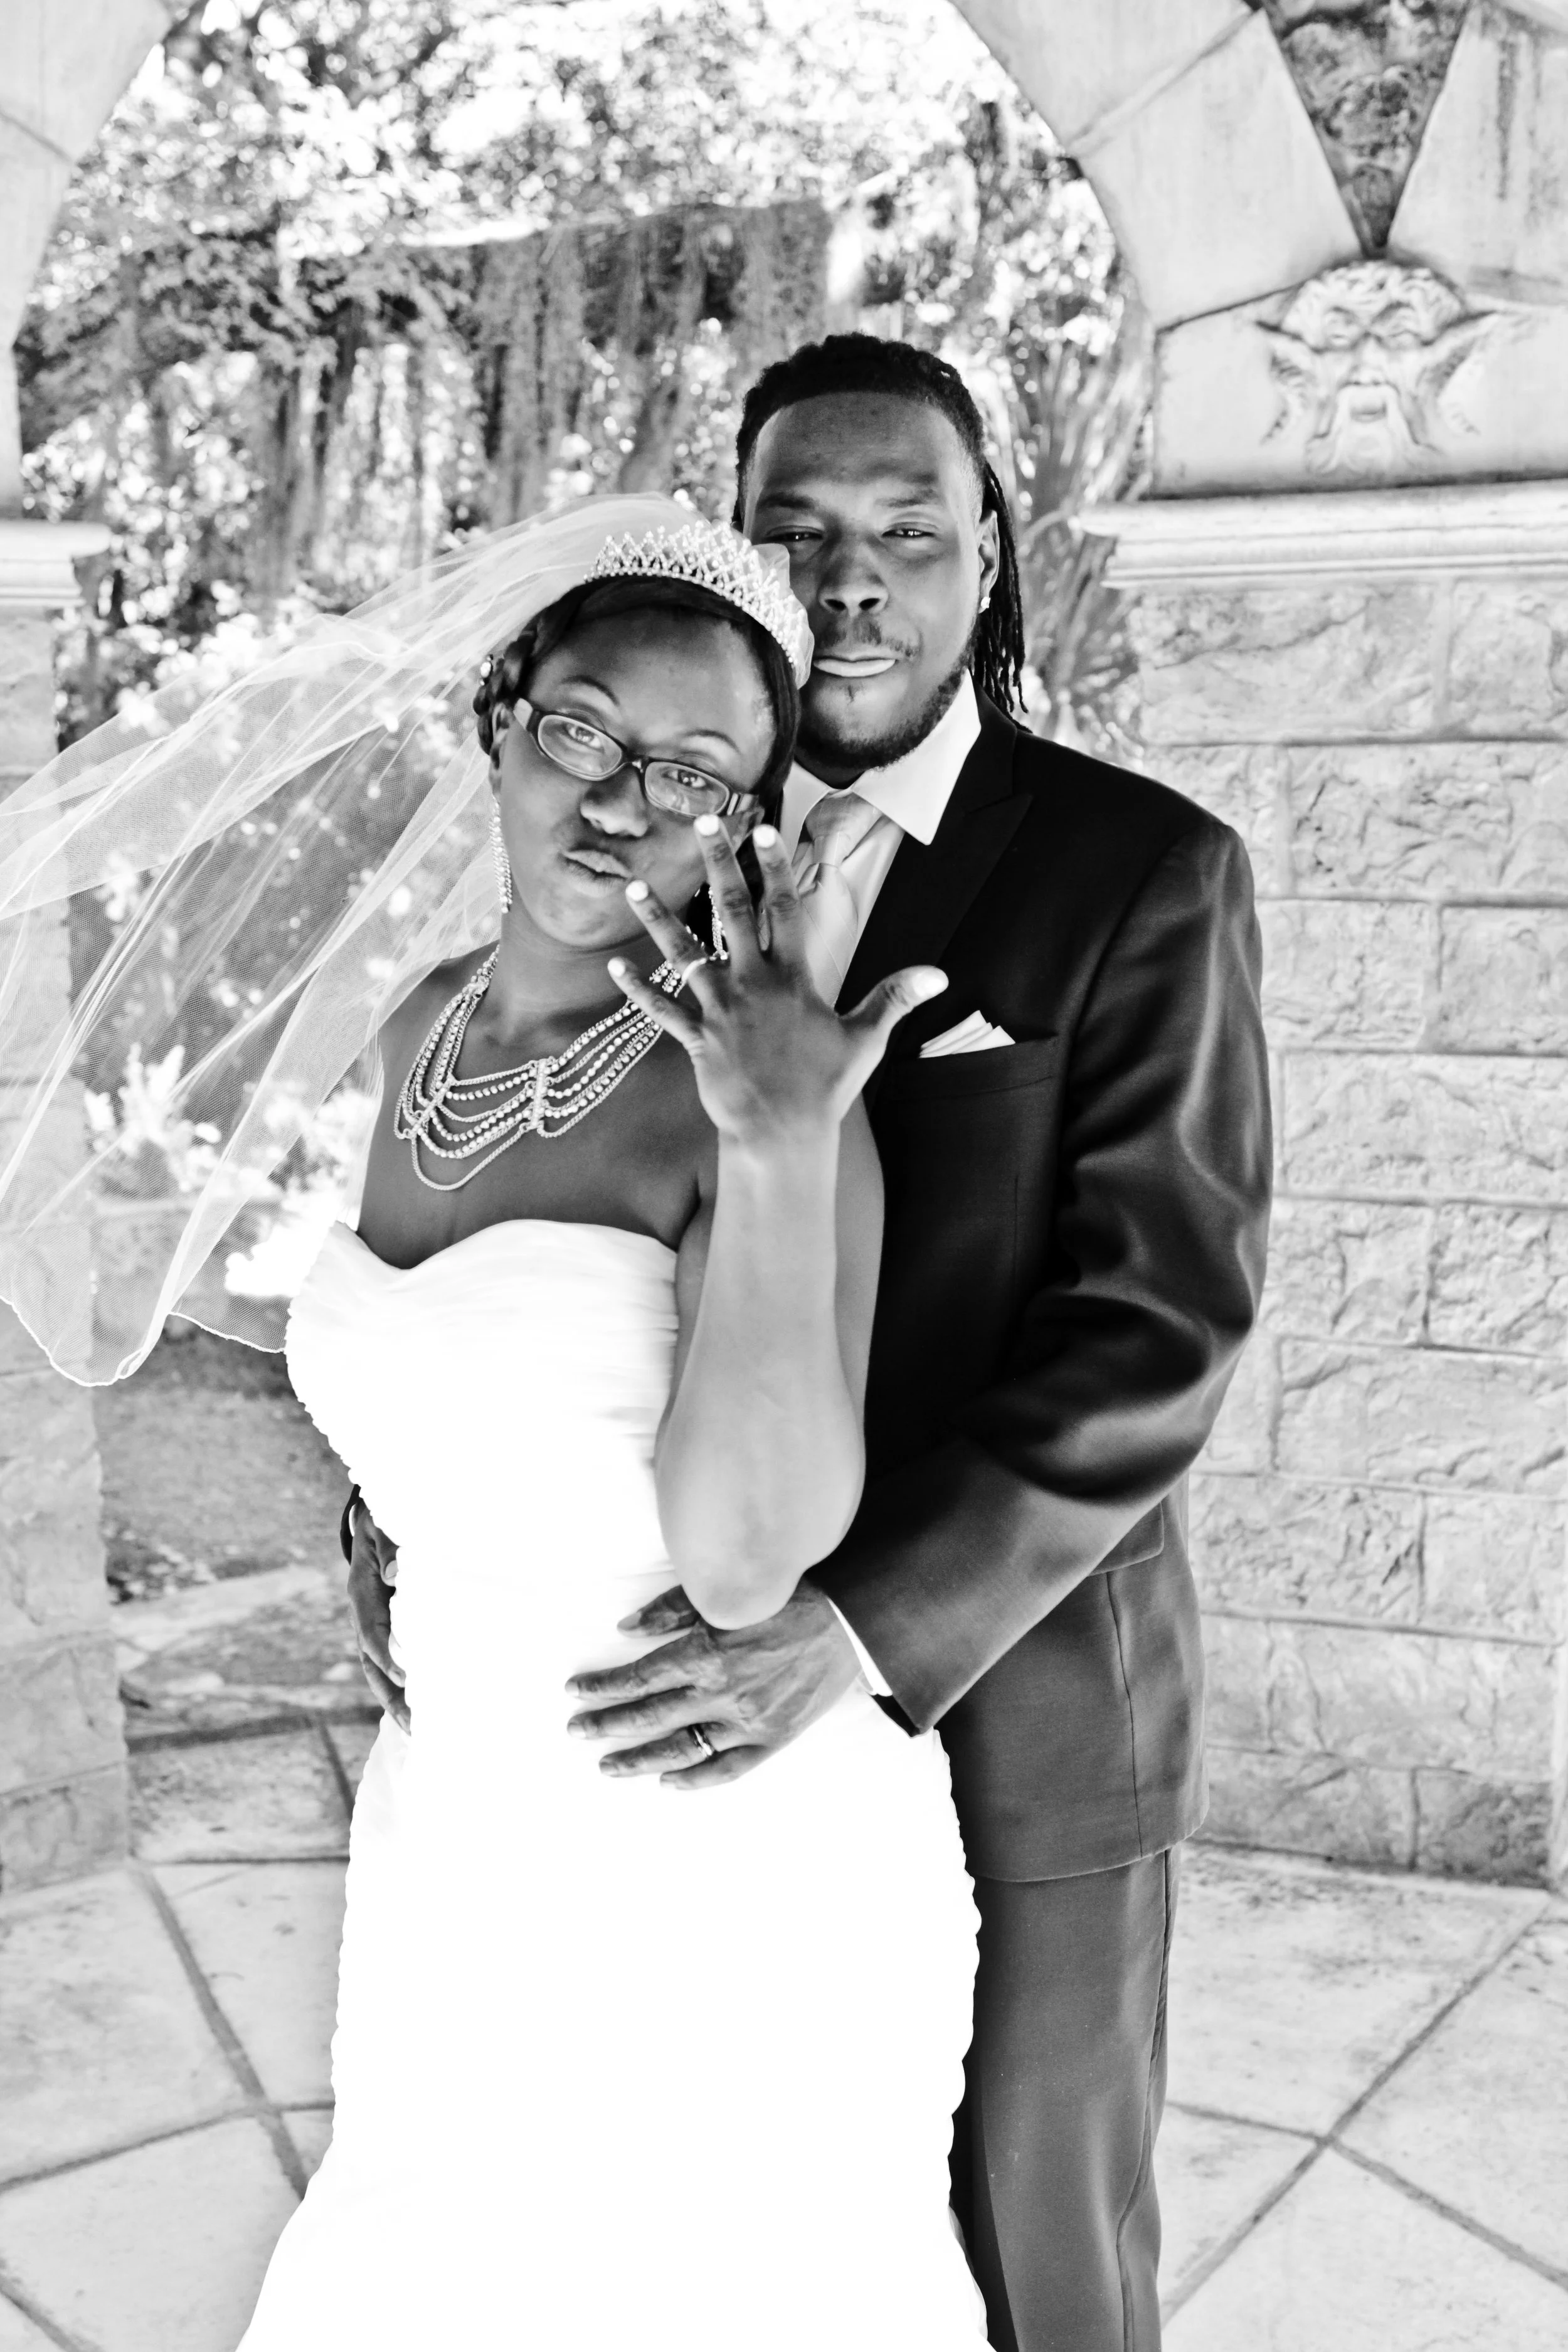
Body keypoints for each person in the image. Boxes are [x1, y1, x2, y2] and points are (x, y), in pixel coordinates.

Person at [344, 336, 1273, 2352]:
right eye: (801, 532)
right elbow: (540, 1242)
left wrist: (854, 1631)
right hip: (617, 1712)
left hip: (1000, 1675)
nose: (854, 581)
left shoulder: (1138, 870)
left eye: (909, 534)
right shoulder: (659, 830)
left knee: (1027, 2246)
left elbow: (1159, 1320)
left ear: (988, 561)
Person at [0, 504, 987, 2348]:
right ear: (498, 718)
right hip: (459, 1840)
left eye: (690, 774)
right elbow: (430, 1379)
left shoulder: (763, 1097)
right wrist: (389, 1533)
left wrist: (778, 1148)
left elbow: (743, 1551)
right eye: (585, 730)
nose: (618, 802)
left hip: (724, 1865)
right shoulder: (416, 1036)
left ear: (743, 829)